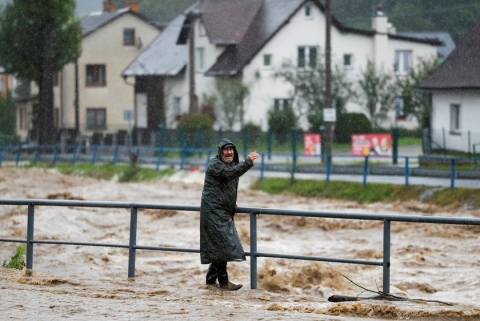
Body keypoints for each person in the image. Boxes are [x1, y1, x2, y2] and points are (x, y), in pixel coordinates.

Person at [200, 138, 259, 291]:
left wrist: (232, 206)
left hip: (222, 212)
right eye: (225, 150)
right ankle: (224, 283)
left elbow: (228, 187)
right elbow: (229, 174)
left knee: (221, 246)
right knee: (224, 246)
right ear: (220, 152)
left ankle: (211, 282)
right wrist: (247, 162)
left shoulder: (231, 165)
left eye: (231, 149)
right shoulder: (215, 165)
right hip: (214, 212)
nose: (228, 152)